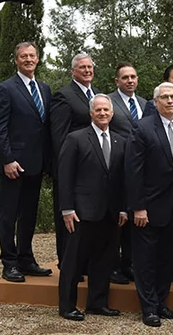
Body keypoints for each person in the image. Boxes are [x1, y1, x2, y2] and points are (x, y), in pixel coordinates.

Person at [125, 82, 173, 327]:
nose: (170, 101)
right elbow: (134, 171)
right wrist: (138, 207)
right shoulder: (142, 127)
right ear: (155, 102)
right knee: (146, 260)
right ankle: (148, 308)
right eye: (164, 97)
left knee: (168, 258)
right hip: (148, 208)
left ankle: (161, 302)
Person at [57, 94, 127, 321]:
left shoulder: (120, 141)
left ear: (112, 113)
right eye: (98, 110)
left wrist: (124, 208)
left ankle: (97, 303)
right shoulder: (75, 138)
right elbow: (65, 177)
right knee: (73, 261)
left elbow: (122, 180)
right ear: (91, 113)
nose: (103, 113)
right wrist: (67, 209)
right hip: (81, 212)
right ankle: (67, 306)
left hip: (111, 212)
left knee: (104, 259)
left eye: (106, 110)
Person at [0, 42, 54, 283]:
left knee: (29, 215)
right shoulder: (5, 89)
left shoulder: (45, 89)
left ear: (38, 59)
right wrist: (7, 160)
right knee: (8, 215)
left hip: (36, 165)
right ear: (16, 60)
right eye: (23, 56)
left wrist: (48, 162)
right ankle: (9, 263)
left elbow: (44, 129)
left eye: (32, 55)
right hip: (13, 166)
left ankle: (26, 260)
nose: (28, 59)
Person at [50, 52, 97, 265]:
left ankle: (86, 261)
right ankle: (68, 264)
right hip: (73, 167)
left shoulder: (96, 95)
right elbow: (59, 137)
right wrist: (67, 168)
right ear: (73, 71)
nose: (87, 71)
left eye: (90, 67)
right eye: (82, 68)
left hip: (94, 168)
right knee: (69, 219)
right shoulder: (63, 95)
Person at [106, 62, 147, 285]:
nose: (130, 80)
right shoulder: (108, 102)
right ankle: (112, 266)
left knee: (132, 217)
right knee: (116, 219)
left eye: (133, 76)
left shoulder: (145, 103)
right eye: (125, 77)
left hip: (138, 168)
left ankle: (128, 264)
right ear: (117, 81)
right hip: (115, 164)